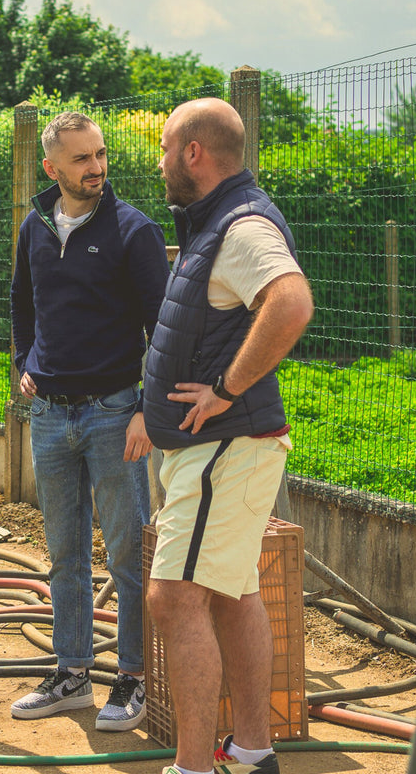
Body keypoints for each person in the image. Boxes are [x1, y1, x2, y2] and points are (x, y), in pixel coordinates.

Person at [142, 98, 314, 774]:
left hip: (223, 448)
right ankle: (251, 750)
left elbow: (291, 301)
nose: (158, 162)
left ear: (194, 153)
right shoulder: (215, 223)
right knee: (234, 590)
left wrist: (226, 389)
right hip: (216, 452)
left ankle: (191, 767)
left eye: (163, 148)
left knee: (175, 596)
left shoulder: (240, 227)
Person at [9, 112, 170, 731]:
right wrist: (24, 361)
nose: (96, 167)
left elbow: (163, 327)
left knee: (128, 553)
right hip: (49, 414)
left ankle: (131, 679)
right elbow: (22, 300)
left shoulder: (134, 230)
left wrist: (145, 411)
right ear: (51, 168)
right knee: (64, 553)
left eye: (100, 155)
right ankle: (72, 671)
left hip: (114, 414)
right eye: (80, 159)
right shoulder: (35, 227)